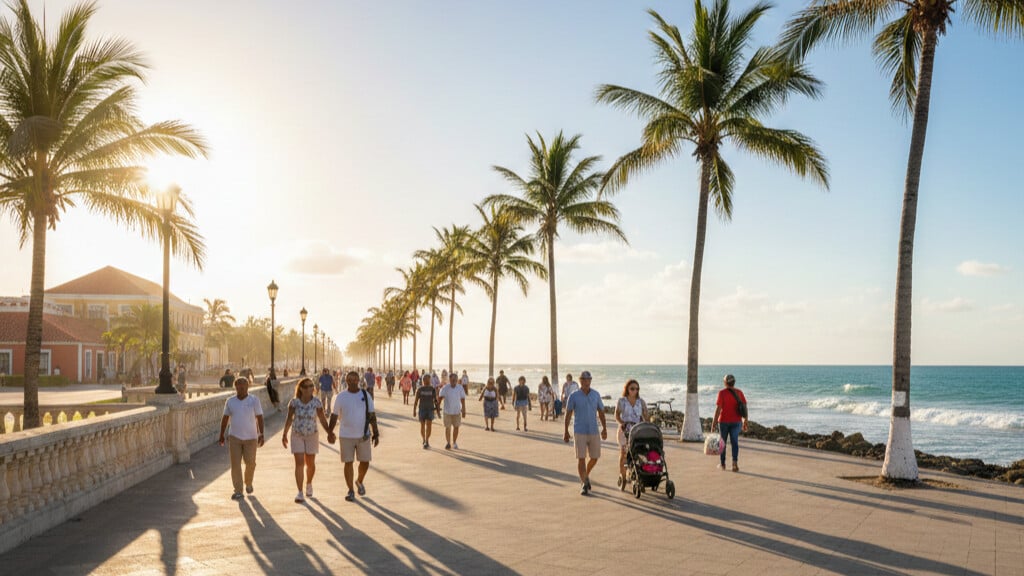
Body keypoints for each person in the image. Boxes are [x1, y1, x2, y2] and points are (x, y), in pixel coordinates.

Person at [327, 371, 381, 502]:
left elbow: (372, 415)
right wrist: (330, 432)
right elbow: (334, 415)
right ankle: (350, 490)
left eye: (355, 379)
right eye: (350, 379)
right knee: (348, 462)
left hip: (363, 435)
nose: (352, 382)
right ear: (346, 380)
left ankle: (359, 481)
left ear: (358, 380)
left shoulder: (365, 395)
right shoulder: (341, 397)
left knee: (365, 462)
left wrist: (376, 432)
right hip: (346, 435)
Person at [282, 377, 330, 503]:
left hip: (312, 435)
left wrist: (329, 432)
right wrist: (284, 434)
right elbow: (289, 419)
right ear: (301, 389)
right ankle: (299, 492)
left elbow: (322, 419)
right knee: (299, 463)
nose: (310, 388)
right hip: (297, 434)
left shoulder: (317, 403)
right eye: (307, 386)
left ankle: (309, 483)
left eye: (311, 386)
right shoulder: (294, 402)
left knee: (310, 464)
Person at [218, 377, 265, 500]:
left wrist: (261, 434)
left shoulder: (254, 400)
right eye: (238, 386)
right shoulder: (230, 401)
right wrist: (221, 434)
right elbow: (225, 418)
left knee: (250, 463)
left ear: (248, 386)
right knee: (235, 465)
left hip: (251, 437)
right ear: (235, 387)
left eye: (244, 385)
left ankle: (248, 482)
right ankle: (238, 490)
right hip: (234, 437)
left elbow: (259, 417)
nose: (241, 388)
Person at [563, 370, 607, 496]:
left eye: (588, 379)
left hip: (593, 430)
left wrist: (604, 428)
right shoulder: (574, 396)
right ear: (580, 380)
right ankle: (583, 483)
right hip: (579, 431)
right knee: (581, 458)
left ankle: (586, 475)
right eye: (583, 379)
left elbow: (601, 412)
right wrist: (566, 431)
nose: (586, 382)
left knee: (595, 457)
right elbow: (568, 413)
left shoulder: (596, 395)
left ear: (591, 380)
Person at [614, 379, 648, 489]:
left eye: (637, 389)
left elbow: (645, 415)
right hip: (625, 430)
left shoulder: (640, 401)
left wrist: (647, 422)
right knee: (624, 453)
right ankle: (623, 477)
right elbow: (617, 415)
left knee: (638, 453)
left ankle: (639, 476)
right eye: (632, 388)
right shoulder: (622, 401)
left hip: (637, 431)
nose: (635, 391)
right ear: (627, 389)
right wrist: (621, 423)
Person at [711, 374, 748, 472]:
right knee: (734, 442)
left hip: (723, 422)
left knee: (722, 443)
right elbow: (744, 408)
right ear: (734, 382)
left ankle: (723, 464)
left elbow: (718, 410)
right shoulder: (739, 392)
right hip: (736, 422)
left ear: (725, 382)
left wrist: (713, 423)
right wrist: (745, 421)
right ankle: (734, 464)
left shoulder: (722, 393)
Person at [438, 372, 467, 449]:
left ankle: (454, 442)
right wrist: (437, 408)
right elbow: (440, 398)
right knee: (448, 428)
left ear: (457, 380)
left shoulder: (460, 387)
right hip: (447, 412)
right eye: (452, 380)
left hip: (457, 411)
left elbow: (463, 399)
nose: (454, 381)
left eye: (455, 380)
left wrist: (463, 409)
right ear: (449, 380)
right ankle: (448, 442)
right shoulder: (445, 388)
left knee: (456, 427)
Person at [413, 372, 440, 448]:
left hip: (430, 409)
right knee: (422, 425)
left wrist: (437, 410)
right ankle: (424, 439)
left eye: (428, 379)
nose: (426, 380)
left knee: (429, 425)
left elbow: (435, 400)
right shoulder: (420, 389)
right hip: (422, 409)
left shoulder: (432, 389)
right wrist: (414, 410)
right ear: (423, 380)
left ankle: (427, 440)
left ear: (430, 380)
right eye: (425, 379)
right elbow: (416, 400)